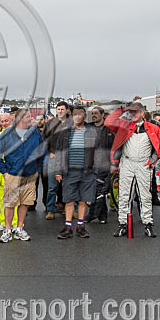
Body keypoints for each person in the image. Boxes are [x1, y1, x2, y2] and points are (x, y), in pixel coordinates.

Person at [105, 102, 160, 238]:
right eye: (131, 111)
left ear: (142, 113)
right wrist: (122, 109)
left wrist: (153, 160)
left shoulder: (153, 128)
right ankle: (123, 224)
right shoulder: (125, 125)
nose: (133, 114)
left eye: (135, 111)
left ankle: (148, 224)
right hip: (127, 162)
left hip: (144, 164)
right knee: (124, 195)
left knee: (145, 196)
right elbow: (108, 122)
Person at [0, 109, 45, 243]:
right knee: (10, 203)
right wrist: (4, 172)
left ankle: (19, 228)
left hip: (30, 174)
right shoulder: (7, 134)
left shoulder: (35, 133)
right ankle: (7, 230)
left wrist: (38, 169)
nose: (30, 119)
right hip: (13, 174)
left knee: (25, 202)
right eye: (28, 117)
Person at [52, 106, 98, 239]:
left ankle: (80, 227)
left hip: (87, 171)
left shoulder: (92, 132)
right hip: (69, 171)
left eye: (80, 114)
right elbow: (59, 152)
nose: (77, 117)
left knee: (83, 200)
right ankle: (68, 227)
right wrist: (58, 171)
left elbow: (98, 151)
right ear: (72, 116)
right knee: (69, 200)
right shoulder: (65, 133)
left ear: (85, 116)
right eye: (75, 114)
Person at [42, 101, 71, 219]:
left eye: (62, 109)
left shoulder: (72, 123)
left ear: (67, 110)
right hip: (54, 156)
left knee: (68, 185)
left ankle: (68, 208)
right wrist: (49, 152)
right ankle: (50, 209)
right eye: (58, 109)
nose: (60, 111)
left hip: (68, 157)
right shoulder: (50, 123)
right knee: (52, 186)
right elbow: (44, 139)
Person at [86, 107, 114, 224]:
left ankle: (93, 214)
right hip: (91, 164)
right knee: (94, 191)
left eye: (96, 113)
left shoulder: (109, 129)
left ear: (102, 114)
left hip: (105, 164)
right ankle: (101, 215)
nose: (94, 115)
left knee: (100, 191)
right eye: (92, 113)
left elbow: (115, 147)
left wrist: (114, 163)